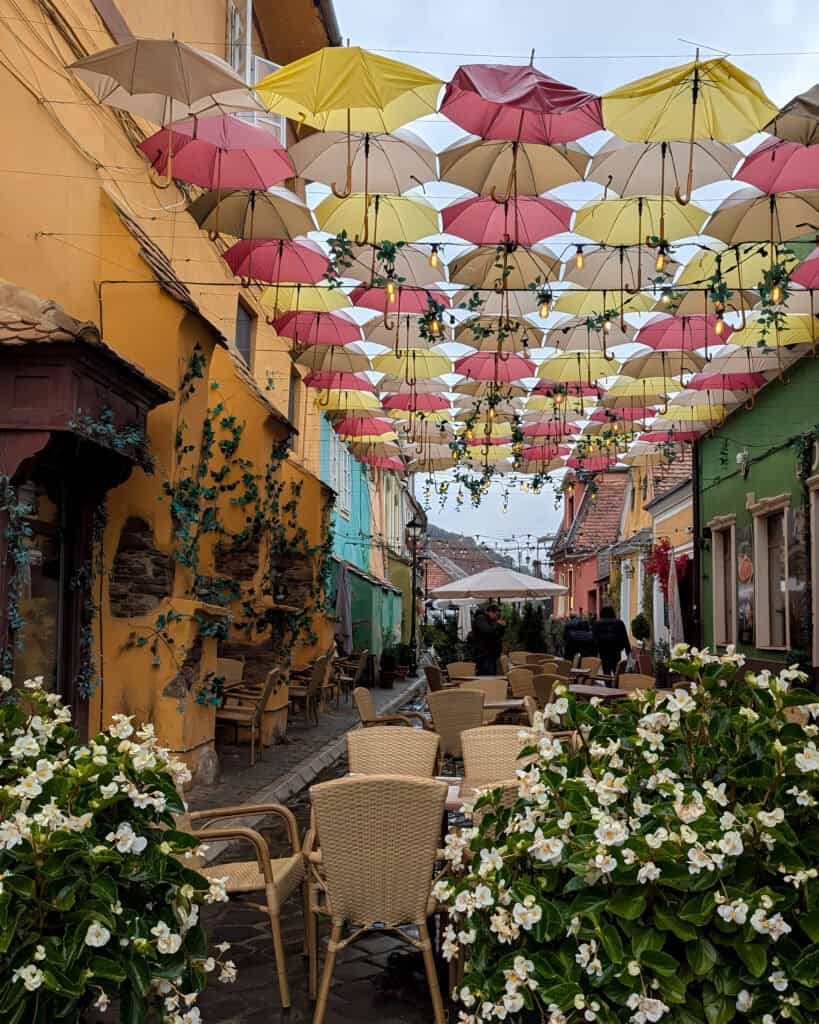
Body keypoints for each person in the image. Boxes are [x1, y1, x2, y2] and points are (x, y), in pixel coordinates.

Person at [592, 605, 631, 676]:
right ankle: (615, 685)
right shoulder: (619, 623)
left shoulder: (597, 623)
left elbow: (594, 639)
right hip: (616, 651)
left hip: (603, 651)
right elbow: (625, 638)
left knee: (606, 672)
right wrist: (628, 652)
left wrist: (594, 653)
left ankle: (608, 685)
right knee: (616, 670)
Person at [470, 603, 505, 676]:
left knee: (491, 676)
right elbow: (488, 631)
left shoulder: (490, 621)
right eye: (497, 615)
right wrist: (498, 625)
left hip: (491, 655)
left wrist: (501, 627)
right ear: (490, 612)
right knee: (487, 677)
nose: (497, 617)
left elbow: (496, 635)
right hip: (484, 655)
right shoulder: (481, 618)